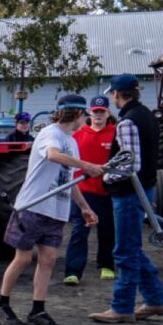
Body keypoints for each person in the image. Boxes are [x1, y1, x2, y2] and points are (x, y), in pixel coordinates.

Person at [0, 93, 104, 325]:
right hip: (33, 206)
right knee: (22, 259)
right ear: (75, 113)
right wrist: (86, 165)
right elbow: (53, 155)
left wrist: (85, 207)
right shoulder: (51, 133)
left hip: (56, 210)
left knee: (48, 260)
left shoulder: (72, 141)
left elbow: (68, 179)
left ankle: (38, 310)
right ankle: (2, 305)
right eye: (84, 113)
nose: (86, 118)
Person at [90, 74, 163, 323]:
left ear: (117, 94)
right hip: (144, 188)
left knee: (124, 250)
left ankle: (122, 307)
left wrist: (106, 176)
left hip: (128, 193)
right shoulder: (147, 115)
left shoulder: (127, 122)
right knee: (133, 247)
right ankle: (156, 300)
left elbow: (130, 164)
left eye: (113, 93)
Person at [63, 94, 117, 285]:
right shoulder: (78, 134)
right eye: (95, 112)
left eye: (102, 112)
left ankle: (106, 265)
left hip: (107, 190)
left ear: (108, 113)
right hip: (83, 190)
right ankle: (73, 271)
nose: (99, 115)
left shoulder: (115, 134)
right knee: (80, 229)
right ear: (90, 113)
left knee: (108, 229)